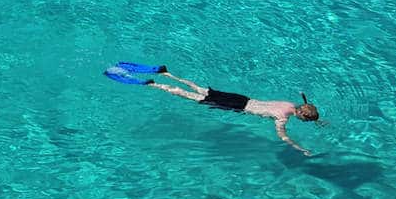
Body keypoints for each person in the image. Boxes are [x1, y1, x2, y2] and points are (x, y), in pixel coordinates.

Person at [110, 63, 321, 155]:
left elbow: (305, 103)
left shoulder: (290, 104)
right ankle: (154, 84)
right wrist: (298, 147)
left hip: (241, 98)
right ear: (301, 115)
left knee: (202, 89)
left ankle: (166, 73)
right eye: (305, 119)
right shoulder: (283, 115)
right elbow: (282, 135)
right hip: (237, 105)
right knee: (193, 97)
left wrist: (316, 119)